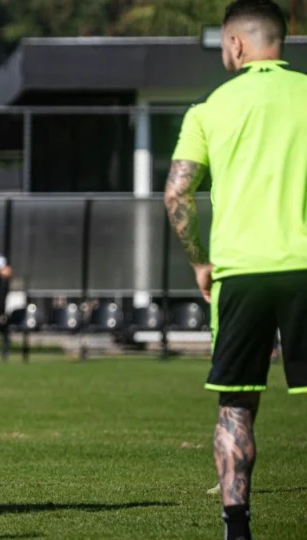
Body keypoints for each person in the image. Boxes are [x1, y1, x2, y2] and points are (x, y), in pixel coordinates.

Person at [164, 1, 307, 539]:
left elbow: (177, 192)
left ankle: (236, 527)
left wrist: (200, 260)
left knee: (237, 406)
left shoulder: (209, 109)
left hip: (240, 274)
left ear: (236, 45)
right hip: (306, 266)